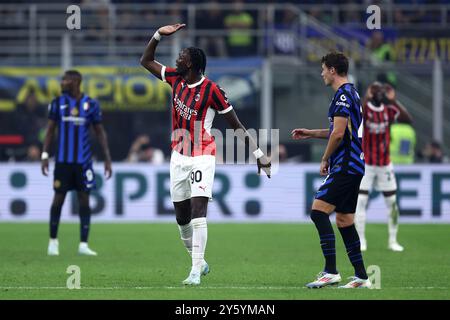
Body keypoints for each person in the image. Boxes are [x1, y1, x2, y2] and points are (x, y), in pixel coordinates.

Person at [140, 23, 271, 286]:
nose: (178, 58)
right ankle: (199, 261)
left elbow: (236, 126)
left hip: (203, 154)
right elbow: (146, 61)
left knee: (199, 210)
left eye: (182, 56)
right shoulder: (175, 78)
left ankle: (195, 271)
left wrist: (259, 153)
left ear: (192, 64)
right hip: (178, 155)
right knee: (181, 218)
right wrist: (157, 35)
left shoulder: (213, 91)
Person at [292, 51, 371, 289]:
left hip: (345, 165)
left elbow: (338, 134)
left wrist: (325, 158)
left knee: (318, 211)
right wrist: (310, 133)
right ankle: (361, 277)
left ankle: (331, 271)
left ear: (333, 70)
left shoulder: (342, 95)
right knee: (345, 220)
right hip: (355, 165)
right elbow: (339, 130)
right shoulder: (352, 92)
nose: (322, 73)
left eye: (324, 69)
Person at [41, 70, 112, 256]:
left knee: (84, 201)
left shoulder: (91, 104)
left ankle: (83, 244)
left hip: (83, 163)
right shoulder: (57, 103)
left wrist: (107, 158)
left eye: (65, 80)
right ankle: (53, 242)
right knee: (58, 199)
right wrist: (44, 155)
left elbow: (100, 132)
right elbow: (49, 132)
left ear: (76, 81)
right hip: (63, 162)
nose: (62, 82)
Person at [355, 82, 413, 252]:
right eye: (376, 91)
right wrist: (367, 95)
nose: (380, 94)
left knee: (392, 203)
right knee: (361, 201)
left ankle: (393, 240)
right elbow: (358, 112)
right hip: (366, 163)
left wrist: (394, 101)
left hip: (384, 163)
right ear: (371, 94)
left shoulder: (389, 111)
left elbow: (408, 120)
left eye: (382, 91)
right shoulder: (366, 109)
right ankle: (361, 240)